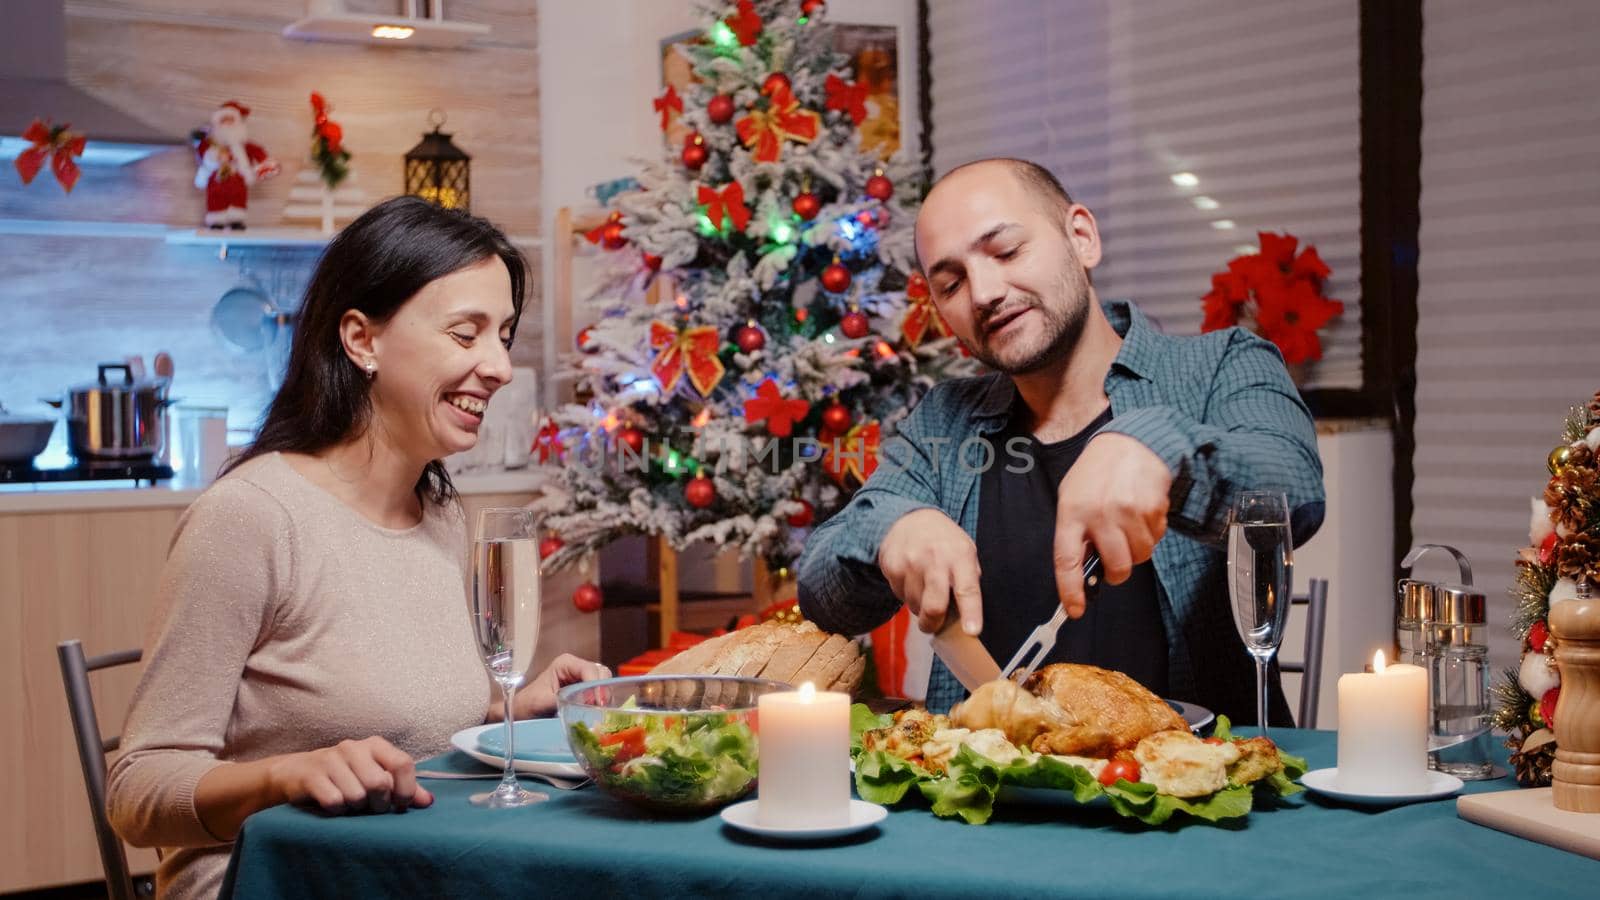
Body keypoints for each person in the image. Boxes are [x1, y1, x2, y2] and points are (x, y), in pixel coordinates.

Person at [108, 197, 608, 900]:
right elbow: (138, 792)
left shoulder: (437, 512)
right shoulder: (250, 519)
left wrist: (512, 709)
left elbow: (405, 729)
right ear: (361, 340)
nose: (497, 366)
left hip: (407, 869)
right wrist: (287, 776)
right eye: (467, 334)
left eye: (504, 335)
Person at [797, 158, 1325, 721]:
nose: (983, 293)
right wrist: (889, 529)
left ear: (1081, 237)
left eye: (1006, 252)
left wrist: (1157, 449)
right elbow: (822, 594)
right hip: (998, 800)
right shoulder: (943, 422)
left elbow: (1294, 489)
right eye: (951, 283)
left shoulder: (1223, 364)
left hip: (1194, 790)